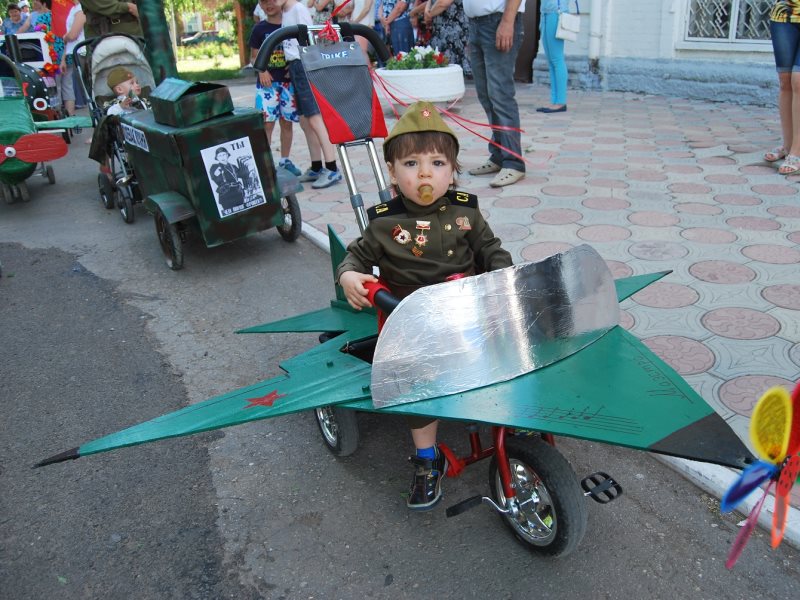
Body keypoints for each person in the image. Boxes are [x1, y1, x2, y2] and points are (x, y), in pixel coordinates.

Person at [336, 102, 512, 510]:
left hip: (466, 310)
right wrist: (348, 276)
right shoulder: (382, 222)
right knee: (416, 382)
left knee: (507, 349)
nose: (425, 173)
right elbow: (356, 258)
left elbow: (492, 251)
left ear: (453, 171)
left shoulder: (466, 210)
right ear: (394, 174)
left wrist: (502, 278)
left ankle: (514, 422)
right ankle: (426, 458)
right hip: (411, 319)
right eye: (411, 163)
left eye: (437, 162)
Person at [281, 0, 342, 188]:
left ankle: (331, 168)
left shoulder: (298, 9)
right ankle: (316, 166)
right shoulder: (285, 11)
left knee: (315, 118)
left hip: (303, 64)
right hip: (294, 65)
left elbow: (311, 36)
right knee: (305, 121)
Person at [464, 0, 525, 188]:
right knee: (486, 95)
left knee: (500, 95)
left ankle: (513, 162)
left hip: (498, 21)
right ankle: (499, 155)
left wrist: (507, 22)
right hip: (477, 25)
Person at [249, 0, 301, 177]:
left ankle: (285, 161)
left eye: (272, 0)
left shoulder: (289, 26)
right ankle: (264, 164)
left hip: (287, 84)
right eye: (264, 2)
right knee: (267, 124)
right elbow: (253, 57)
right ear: (260, 6)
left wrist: (294, 67)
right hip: (267, 86)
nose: (269, 4)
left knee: (287, 123)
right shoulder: (259, 29)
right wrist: (261, 69)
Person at [766, 1, 800, 174]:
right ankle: (787, 146)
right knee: (785, 81)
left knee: (798, 80)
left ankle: (797, 151)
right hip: (783, 13)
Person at [421, 0, 471, 77]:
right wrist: (427, 11)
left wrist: (429, 14)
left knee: (451, 73)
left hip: (453, 33)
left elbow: (443, 3)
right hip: (439, 31)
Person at [537, 0, 568, 113]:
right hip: (545, 14)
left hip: (556, 13)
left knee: (556, 59)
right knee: (551, 61)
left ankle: (560, 102)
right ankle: (554, 101)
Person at [60, 0, 85, 117]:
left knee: (87, 90)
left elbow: (72, 35)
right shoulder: (74, 8)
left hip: (81, 52)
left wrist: (65, 37)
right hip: (73, 53)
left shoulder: (80, 8)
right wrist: (63, 59)